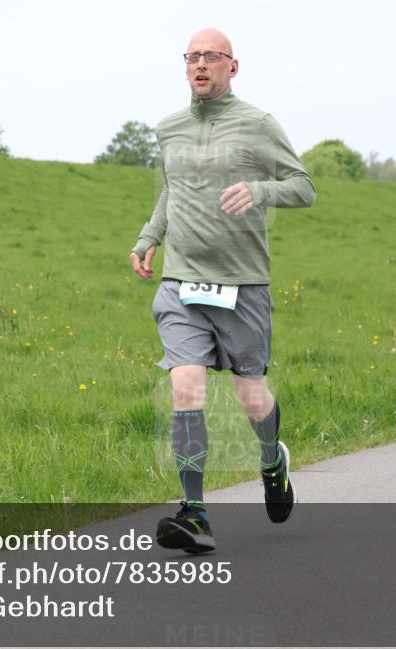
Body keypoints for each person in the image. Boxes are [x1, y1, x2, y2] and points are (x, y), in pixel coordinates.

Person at [129, 28, 315, 553]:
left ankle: (271, 460)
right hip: (182, 282)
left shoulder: (258, 124)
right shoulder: (168, 129)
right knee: (185, 385)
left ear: (234, 66)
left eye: (211, 57)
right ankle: (195, 512)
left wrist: (259, 189)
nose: (200, 65)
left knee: (252, 397)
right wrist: (149, 239)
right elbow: (172, 189)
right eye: (192, 57)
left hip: (243, 287)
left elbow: (303, 186)